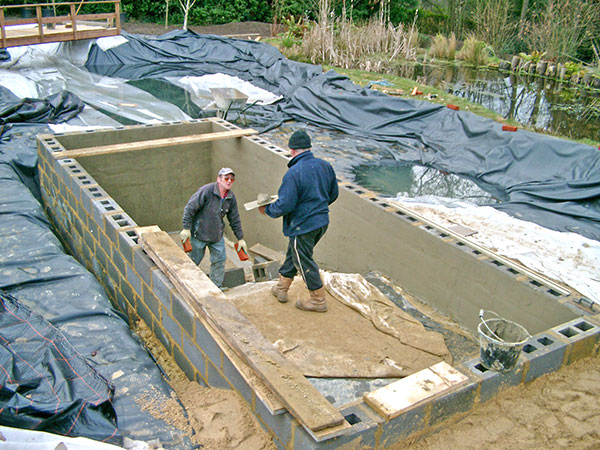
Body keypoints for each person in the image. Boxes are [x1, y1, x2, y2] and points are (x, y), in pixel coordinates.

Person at [259, 130, 338, 312]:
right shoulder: (325, 166)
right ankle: (282, 288)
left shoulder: (293, 173)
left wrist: (267, 210)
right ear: (309, 148)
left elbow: (285, 205)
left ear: (292, 150)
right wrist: (317, 207)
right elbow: (333, 194)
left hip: (303, 225)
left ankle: (318, 300)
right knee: (294, 253)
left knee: (303, 260)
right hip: (321, 222)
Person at [180, 167, 247, 288]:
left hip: (216, 236)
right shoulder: (206, 191)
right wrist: (186, 228)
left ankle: (216, 286)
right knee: (192, 261)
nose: (229, 181)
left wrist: (240, 238)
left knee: (219, 261)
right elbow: (190, 208)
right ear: (219, 179)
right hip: (199, 234)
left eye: (232, 179)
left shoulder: (230, 197)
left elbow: (234, 219)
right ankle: (184, 285)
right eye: (226, 178)